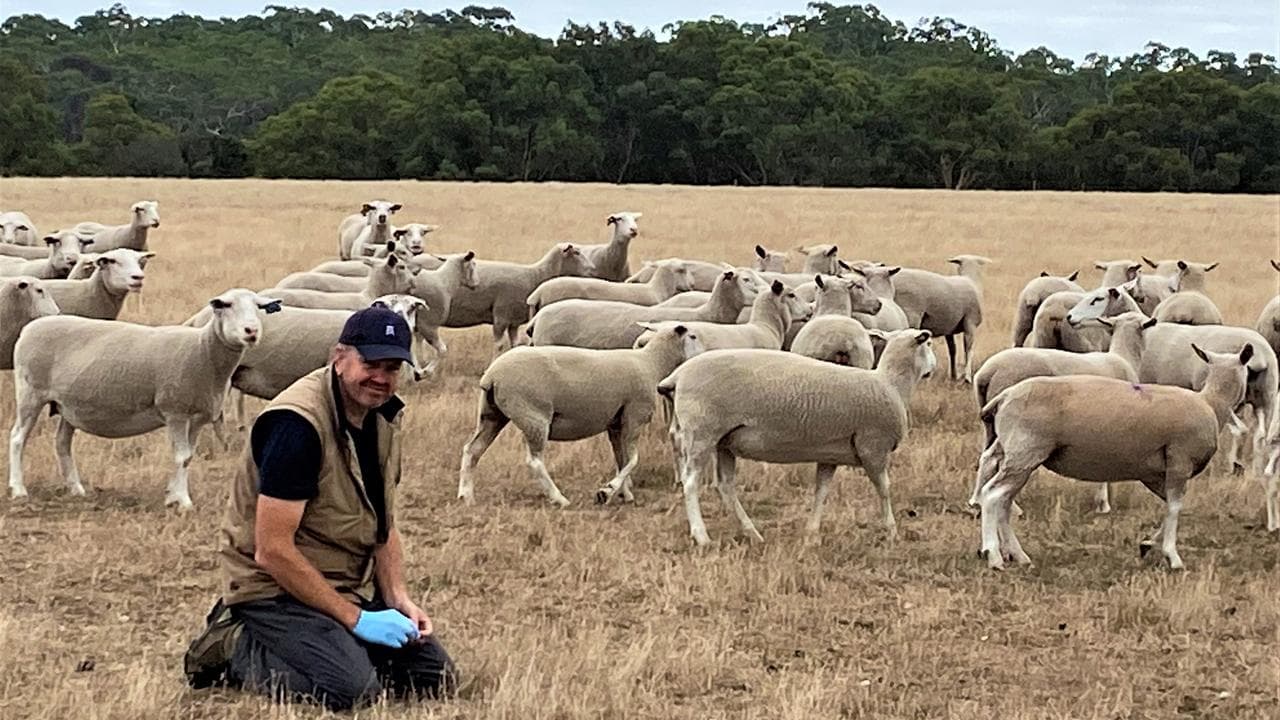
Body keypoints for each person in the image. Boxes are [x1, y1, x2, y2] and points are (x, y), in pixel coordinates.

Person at [185, 305, 457, 710]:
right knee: (352, 692)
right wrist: (357, 620)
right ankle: (234, 645)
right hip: (273, 588)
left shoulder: (381, 416)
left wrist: (398, 598)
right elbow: (272, 550)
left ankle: (332, 644)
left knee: (434, 680)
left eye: (392, 367)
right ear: (339, 356)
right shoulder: (296, 426)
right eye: (370, 363)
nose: (381, 378)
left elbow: (383, 522)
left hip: (342, 582)